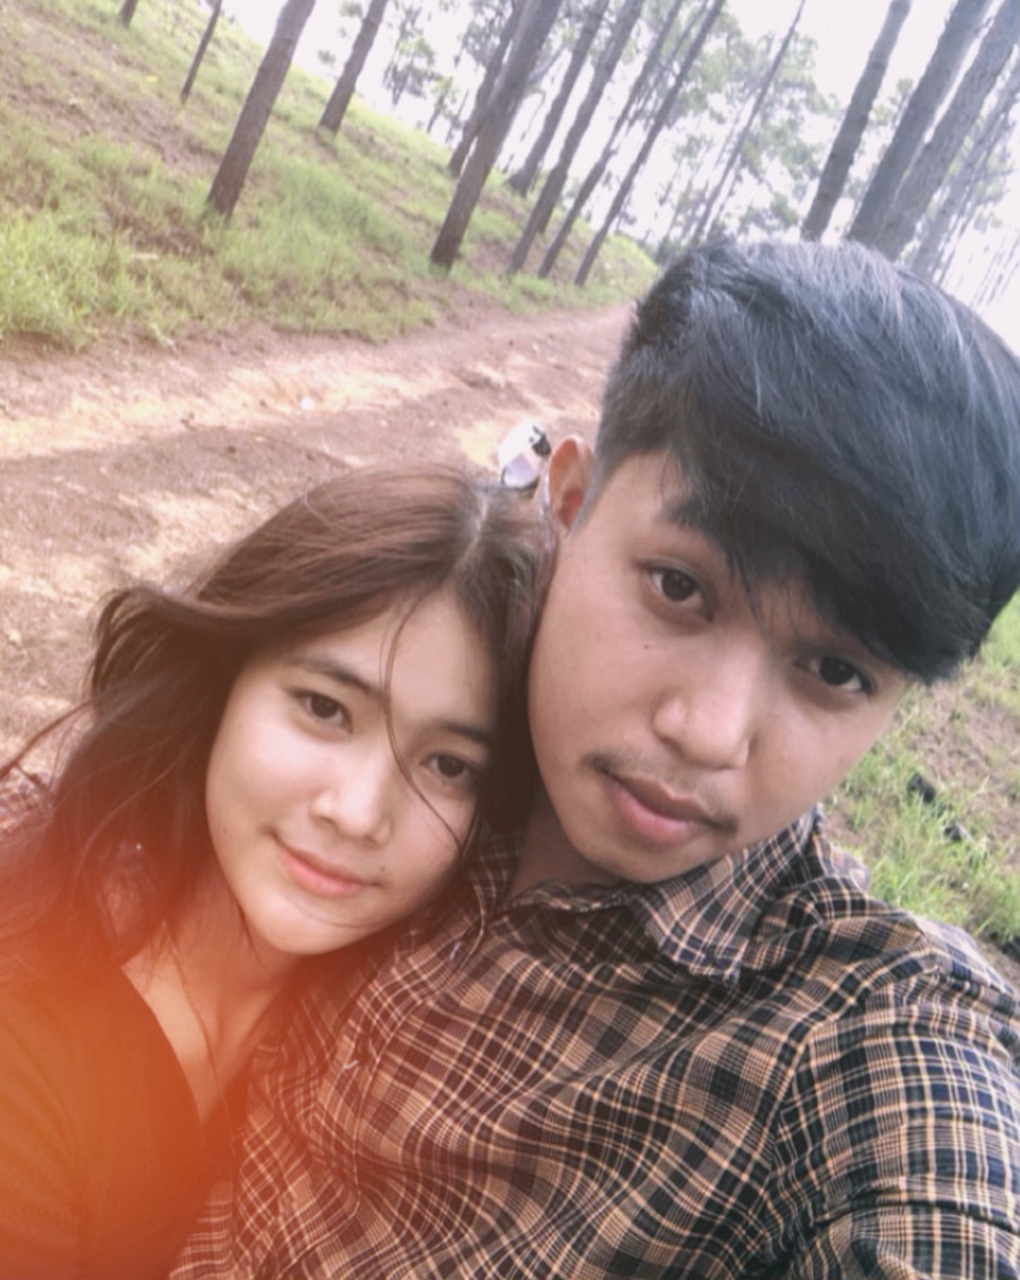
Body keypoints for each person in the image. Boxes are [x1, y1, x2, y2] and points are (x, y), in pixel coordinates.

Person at [173, 239, 1020, 1279]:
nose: (707, 732)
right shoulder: (439, 707)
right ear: (567, 501)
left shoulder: (850, 1045)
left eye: (834, 671)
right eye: (678, 587)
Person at [0, 464, 552, 1279]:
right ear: (224, 682)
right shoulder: (27, 1048)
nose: (358, 812)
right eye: (325, 708)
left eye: (447, 765)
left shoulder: (391, 1044)